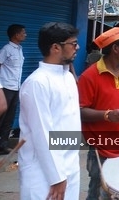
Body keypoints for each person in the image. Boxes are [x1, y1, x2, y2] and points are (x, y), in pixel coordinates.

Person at [78, 26, 119, 200]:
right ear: (115, 49)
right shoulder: (89, 76)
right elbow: (80, 111)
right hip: (101, 144)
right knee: (98, 185)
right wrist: (106, 115)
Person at [18, 22, 81, 200]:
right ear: (55, 48)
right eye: (73, 44)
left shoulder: (68, 77)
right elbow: (42, 133)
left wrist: (69, 170)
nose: (77, 47)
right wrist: (57, 177)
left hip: (70, 166)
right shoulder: (37, 83)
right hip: (43, 172)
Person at [0, 23, 25, 154]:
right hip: (6, 88)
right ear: (16, 35)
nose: (25, 35)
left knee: (9, 118)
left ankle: (3, 145)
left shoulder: (19, 49)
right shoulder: (6, 50)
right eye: (23, 33)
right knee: (1, 117)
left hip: (16, 88)